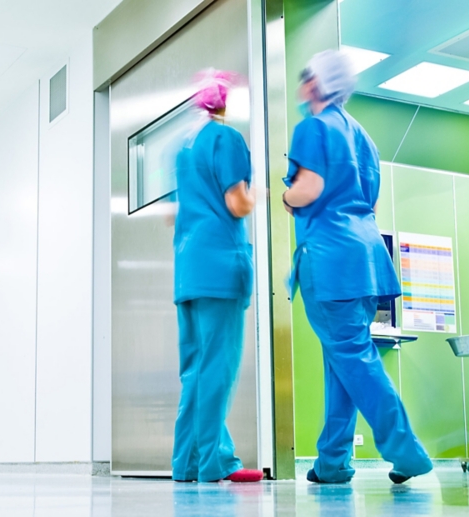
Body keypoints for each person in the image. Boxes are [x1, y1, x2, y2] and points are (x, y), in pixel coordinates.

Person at [282, 50, 433, 485]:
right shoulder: (363, 135)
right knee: (342, 360)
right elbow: (370, 200)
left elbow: (308, 189)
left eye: (305, 77)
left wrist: (286, 196)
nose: (300, 85)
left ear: (316, 84)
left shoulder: (313, 127)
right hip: (365, 259)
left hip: (330, 261)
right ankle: (331, 461)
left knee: (354, 358)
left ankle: (406, 451)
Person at [170, 69, 263, 484]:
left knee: (194, 369)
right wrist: (268, 193)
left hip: (188, 270)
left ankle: (186, 463)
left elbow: (176, 214)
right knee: (217, 369)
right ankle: (212, 463)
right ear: (225, 101)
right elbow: (237, 202)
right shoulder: (226, 139)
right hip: (220, 268)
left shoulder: (184, 149)